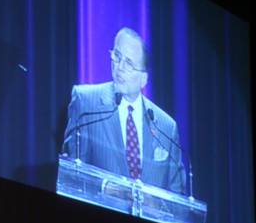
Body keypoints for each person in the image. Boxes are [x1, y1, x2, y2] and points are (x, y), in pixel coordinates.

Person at [63, 27, 186, 194]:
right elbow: (71, 176)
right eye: (117, 56)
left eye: (129, 63)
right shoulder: (86, 103)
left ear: (143, 79)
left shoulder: (166, 127)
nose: (119, 67)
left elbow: (177, 196)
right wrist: (105, 187)